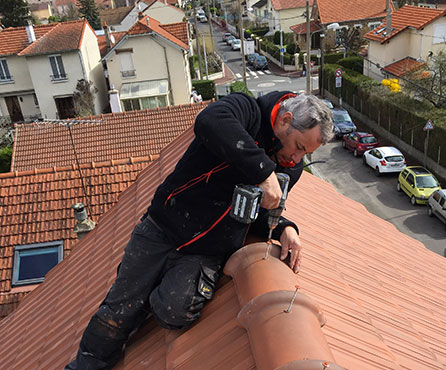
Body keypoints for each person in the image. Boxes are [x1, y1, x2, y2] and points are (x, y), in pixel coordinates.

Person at [65, 91, 333, 370]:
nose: (297, 157)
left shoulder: (290, 167)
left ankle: (146, 297)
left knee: (174, 311)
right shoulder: (247, 111)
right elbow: (209, 121)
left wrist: (285, 229)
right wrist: (262, 171)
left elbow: (260, 211)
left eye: (305, 153)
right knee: (116, 311)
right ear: (285, 120)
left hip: (206, 250)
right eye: (299, 146)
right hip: (162, 227)